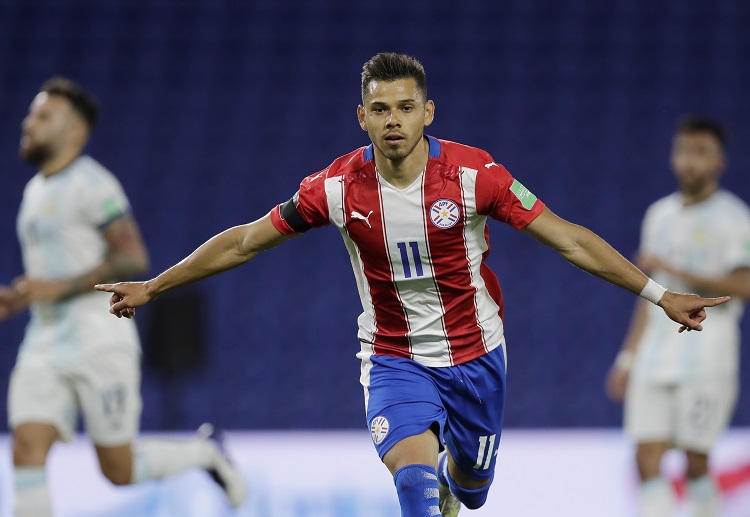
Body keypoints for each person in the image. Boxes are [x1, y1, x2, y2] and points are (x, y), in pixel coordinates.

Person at [96, 53, 729, 517]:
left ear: (427, 111)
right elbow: (243, 241)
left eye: (405, 108)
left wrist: (659, 294)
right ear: (361, 117)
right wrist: (157, 284)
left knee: (470, 492)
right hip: (394, 359)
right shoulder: (335, 189)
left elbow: (567, 238)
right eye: (380, 109)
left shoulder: (476, 176)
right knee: (415, 492)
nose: (393, 121)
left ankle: (462, 485)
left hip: (477, 357)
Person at [0, 77, 247, 516]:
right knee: (25, 446)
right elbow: (52, 273)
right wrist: (20, 297)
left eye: (42, 116)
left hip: (99, 339)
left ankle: (204, 453)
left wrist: (56, 288)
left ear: (74, 132)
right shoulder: (35, 192)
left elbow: (132, 255)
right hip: (44, 341)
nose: (28, 122)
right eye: (32, 114)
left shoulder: (92, 184)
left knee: (118, 469)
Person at [606, 116, 750, 517]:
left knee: (695, 460)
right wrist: (627, 357)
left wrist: (674, 271)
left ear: (718, 162)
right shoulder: (659, 215)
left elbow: (744, 284)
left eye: (700, 153)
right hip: (655, 351)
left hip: (708, 352)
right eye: (684, 150)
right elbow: (649, 295)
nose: (690, 161)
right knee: (645, 457)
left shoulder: (734, 218)